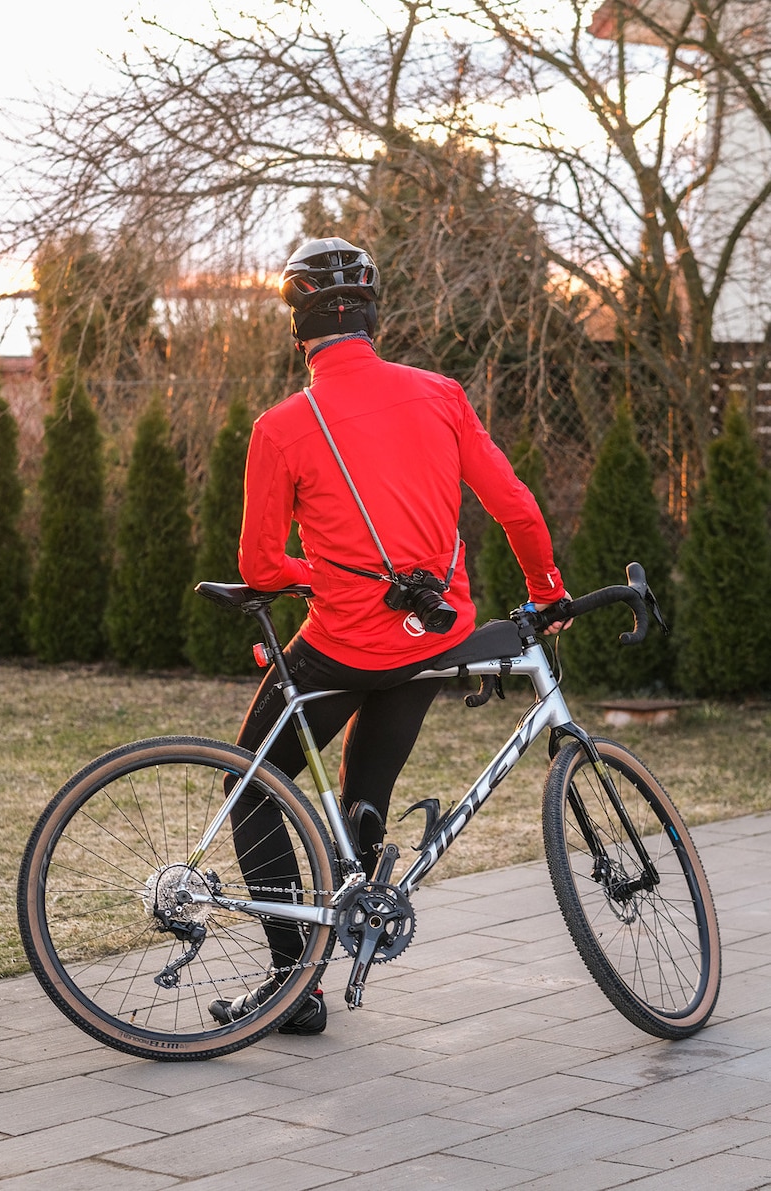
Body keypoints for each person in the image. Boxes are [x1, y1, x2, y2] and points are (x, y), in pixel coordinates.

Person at [208, 235, 570, 1033]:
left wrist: (318, 576)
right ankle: (358, 919)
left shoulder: (282, 426)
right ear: (373, 315)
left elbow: (261, 563)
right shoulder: (440, 394)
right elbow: (516, 507)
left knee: (253, 790)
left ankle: (290, 985)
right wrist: (549, 591)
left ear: (298, 328)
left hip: (339, 644)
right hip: (432, 640)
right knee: (364, 796)